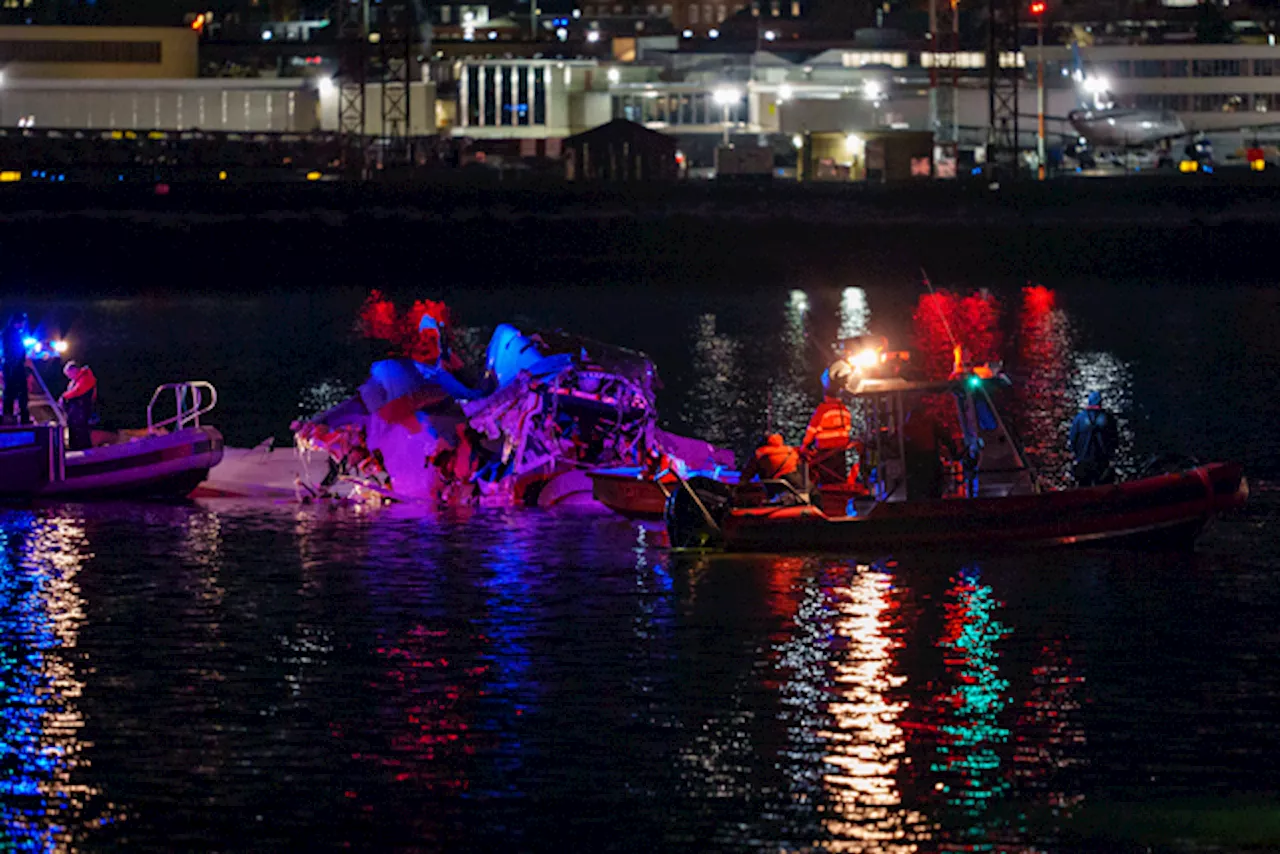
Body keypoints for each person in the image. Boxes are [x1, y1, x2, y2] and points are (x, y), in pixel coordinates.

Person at [902, 403, 957, 500]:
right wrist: (954, 453)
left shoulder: (907, 425)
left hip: (913, 464)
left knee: (916, 492)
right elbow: (945, 437)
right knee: (933, 491)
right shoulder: (930, 421)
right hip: (929, 460)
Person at [802, 381, 854, 485]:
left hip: (825, 448)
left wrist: (804, 445)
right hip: (841, 448)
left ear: (826, 396)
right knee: (839, 476)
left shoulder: (823, 409)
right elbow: (848, 428)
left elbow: (812, 429)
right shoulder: (844, 410)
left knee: (825, 476)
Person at [1068, 390, 1119, 487]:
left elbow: (1072, 439)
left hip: (1083, 461)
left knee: (1083, 489)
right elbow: (1114, 440)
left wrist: (1075, 455)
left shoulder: (1079, 418)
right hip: (1102, 462)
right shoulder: (1108, 418)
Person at [59, 361, 97, 451]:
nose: (69, 377)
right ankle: (74, 448)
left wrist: (64, 396)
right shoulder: (74, 381)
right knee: (73, 429)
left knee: (81, 432)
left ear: (74, 370)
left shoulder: (86, 377)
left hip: (82, 411)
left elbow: (78, 391)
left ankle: (85, 451)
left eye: (69, 374)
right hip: (75, 412)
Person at [2, 312, 30, 425]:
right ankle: (10, 417)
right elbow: (10, 352)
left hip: (15, 366)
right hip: (13, 367)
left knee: (20, 393)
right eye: (21, 323)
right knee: (11, 393)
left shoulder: (16, 334)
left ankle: (20, 416)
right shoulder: (8, 334)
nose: (23, 325)